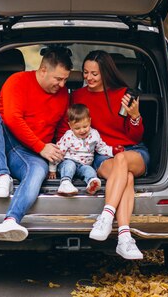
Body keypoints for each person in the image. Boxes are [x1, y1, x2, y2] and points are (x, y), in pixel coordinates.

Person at [58, 50, 149, 260]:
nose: (88, 78)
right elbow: (68, 127)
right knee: (126, 177)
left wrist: (135, 116)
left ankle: (106, 217)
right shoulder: (78, 96)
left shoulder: (125, 95)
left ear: (106, 73)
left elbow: (134, 137)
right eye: (85, 73)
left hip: (132, 151)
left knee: (122, 159)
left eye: (94, 74)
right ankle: (125, 238)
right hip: (101, 154)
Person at [0, 47, 72, 242]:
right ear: (43, 70)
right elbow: (12, 119)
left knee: (38, 172)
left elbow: (63, 129)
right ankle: (1, 174)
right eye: (58, 79)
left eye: (65, 80)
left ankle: (11, 220)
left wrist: (63, 154)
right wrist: (41, 147)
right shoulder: (17, 81)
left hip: (32, 154)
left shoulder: (63, 96)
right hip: (6, 140)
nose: (62, 85)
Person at [49, 103, 119, 197]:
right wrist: (52, 169)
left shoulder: (94, 134)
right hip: (68, 161)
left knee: (90, 170)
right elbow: (58, 152)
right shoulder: (68, 136)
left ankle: (92, 184)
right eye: (77, 128)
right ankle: (65, 183)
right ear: (70, 125)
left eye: (85, 126)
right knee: (69, 166)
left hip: (84, 165)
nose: (82, 130)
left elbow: (101, 148)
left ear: (90, 121)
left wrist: (113, 151)